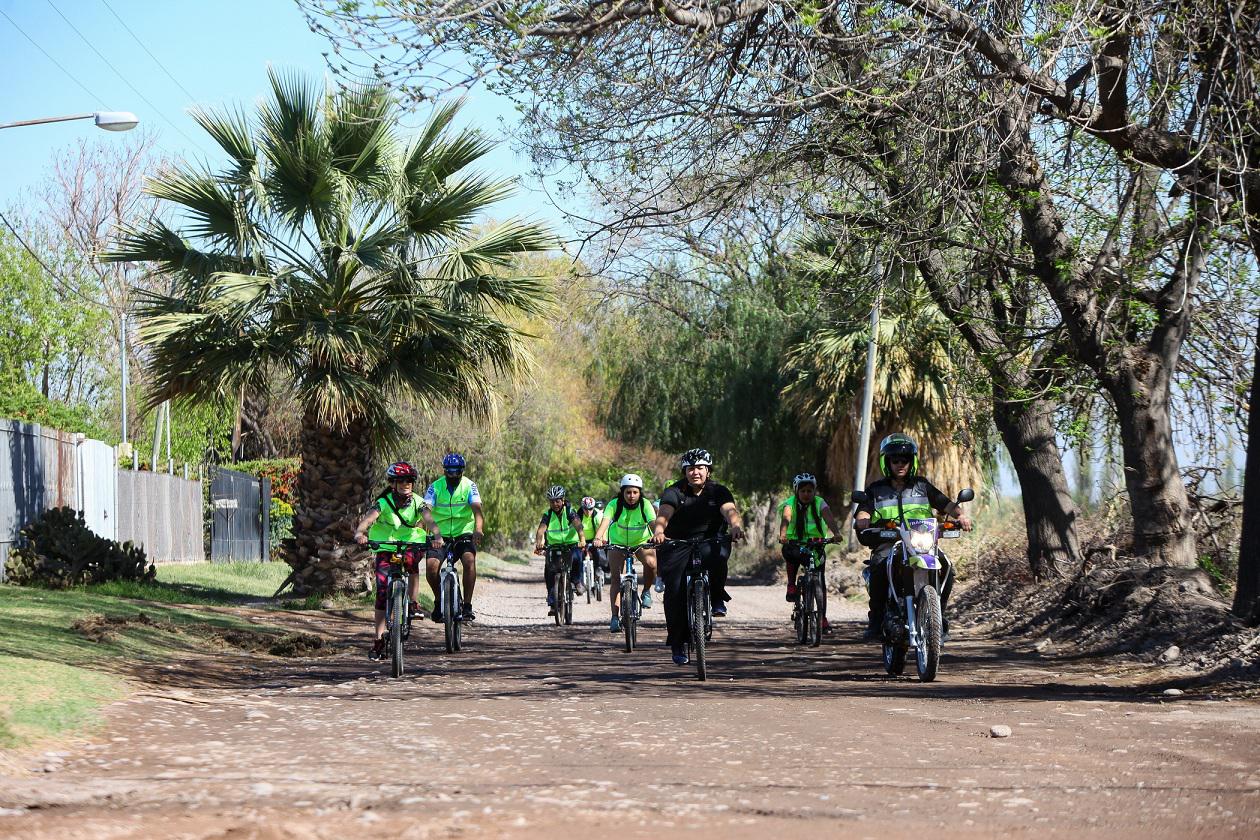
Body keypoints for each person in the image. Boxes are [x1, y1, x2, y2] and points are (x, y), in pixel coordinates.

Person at [853, 433, 972, 639]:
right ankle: (876, 619)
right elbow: (863, 510)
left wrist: (961, 516)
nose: (900, 464)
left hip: (922, 542)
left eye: (905, 460)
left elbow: (947, 504)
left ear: (912, 462)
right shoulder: (876, 489)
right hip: (889, 541)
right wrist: (863, 518)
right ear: (887, 462)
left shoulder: (922, 486)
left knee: (947, 568)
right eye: (895, 460)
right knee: (881, 564)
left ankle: (938, 615)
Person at [651, 448, 745, 666]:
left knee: (718, 556)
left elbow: (729, 510)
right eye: (691, 468)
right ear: (684, 471)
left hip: (709, 539)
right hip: (677, 542)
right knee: (674, 590)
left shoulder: (718, 491)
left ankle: (717, 596)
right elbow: (664, 512)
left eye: (700, 468)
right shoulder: (674, 491)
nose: (695, 472)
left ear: (708, 471)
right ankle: (678, 643)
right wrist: (659, 531)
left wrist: (736, 526)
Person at [353, 461, 428, 661]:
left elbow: (430, 520)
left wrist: (437, 537)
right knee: (382, 591)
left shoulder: (418, 502)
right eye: (401, 481)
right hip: (385, 547)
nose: (406, 484)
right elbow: (369, 519)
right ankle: (378, 640)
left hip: (410, 544)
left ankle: (413, 604)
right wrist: (361, 532)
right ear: (392, 483)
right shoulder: (383, 502)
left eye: (409, 481)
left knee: (412, 565)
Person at [778, 472, 843, 634]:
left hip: (816, 544)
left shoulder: (820, 503)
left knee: (820, 582)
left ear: (814, 491)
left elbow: (828, 517)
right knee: (791, 556)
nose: (806, 494)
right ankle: (791, 585)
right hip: (794, 543)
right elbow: (786, 518)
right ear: (796, 491)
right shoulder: (790, 503)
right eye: (803, 491)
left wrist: (836, 533)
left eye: (810, 491)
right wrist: (783, 535)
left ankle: (822, 618)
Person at [421, 453, 484, 622]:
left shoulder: (469, 486)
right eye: (450, 472)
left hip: (463, 532)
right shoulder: (435, 487)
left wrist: (478, 529)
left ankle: (467, 606)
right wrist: (434, 532)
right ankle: (438, 601)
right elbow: (425, 510)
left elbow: (477, 510)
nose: (453, 475)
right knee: (431, 568)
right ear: (445, 471)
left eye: (457, 472)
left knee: (469, 561)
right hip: (439, 535)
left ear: (462, 471)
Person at [593, 474, 659, 633]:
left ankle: (646, 592)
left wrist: (657, 534)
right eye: (628, 492)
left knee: (651, 564)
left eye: (635, 492)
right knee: (616, 578)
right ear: (622, 492)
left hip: (640, 542)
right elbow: (605, 522)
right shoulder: (614, 504)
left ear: (639, 493)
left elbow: (653, 523)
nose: (631, 496)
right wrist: (598, 537)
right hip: (617, 542)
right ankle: (615, 617)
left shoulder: (645, 505)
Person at [534, 484, 587, 615]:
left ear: (563, 500)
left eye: (557, 501)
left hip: (571, 544)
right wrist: (539, 542)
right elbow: (541, 530)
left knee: (577, 557)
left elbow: (578, 526)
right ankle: (552, 603)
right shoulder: (548, 514)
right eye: (552, 501)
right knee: (550, 571)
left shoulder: (569, 511)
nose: (555, 504)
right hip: (554, 545)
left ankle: (577, 581)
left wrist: (582, 539)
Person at [577, 496, 609, 584]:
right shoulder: (577, 515)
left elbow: (602, 528)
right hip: (580, 539)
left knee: (597, 552)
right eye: (585, 509)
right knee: (577, 556)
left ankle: (598, 568)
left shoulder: (598, 515)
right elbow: (573, 529)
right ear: (582, 508)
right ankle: (577, 578)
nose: (588, 512)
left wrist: (603, 540)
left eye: (590, 509)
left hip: (594, 538)